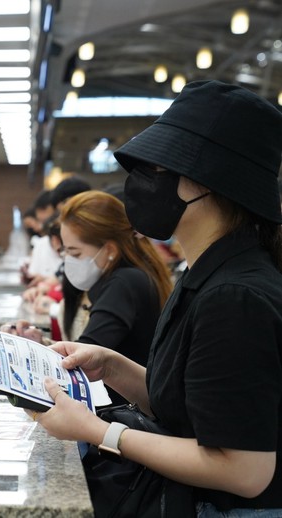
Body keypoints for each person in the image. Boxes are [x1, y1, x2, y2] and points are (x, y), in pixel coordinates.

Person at [25, 81, 282, 515]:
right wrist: (112, 366)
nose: (140, 184)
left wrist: (98, 432)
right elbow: (194, 409)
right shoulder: (205, 274)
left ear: (208, 183)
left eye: (158, 171)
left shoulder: (235, 297)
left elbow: (244, 471)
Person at [12, 191, 173, 404]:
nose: (68, 261)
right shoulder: (124, 277)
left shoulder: (124, 283)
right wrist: (40, 343)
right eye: (65, 252)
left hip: (124, 414)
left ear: (110, 250)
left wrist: (26, 351)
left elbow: (82, 358)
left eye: (75, 253)